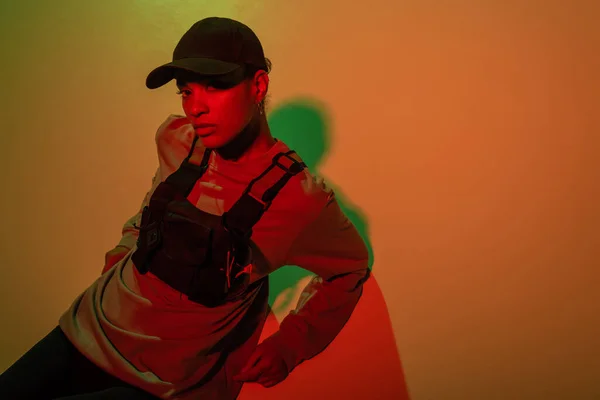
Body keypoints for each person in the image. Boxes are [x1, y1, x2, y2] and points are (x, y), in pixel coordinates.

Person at [0, 16, 370, 400]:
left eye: (214, 87)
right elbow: (150, 206)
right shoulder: (178, 140)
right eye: (186, 91)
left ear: (258, 86)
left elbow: (349, 269)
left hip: (166, 385)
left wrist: (290, 345)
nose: (197, 107)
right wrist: (123, 253)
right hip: (86, 330)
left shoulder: (300, 198)